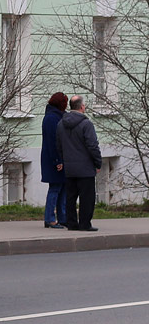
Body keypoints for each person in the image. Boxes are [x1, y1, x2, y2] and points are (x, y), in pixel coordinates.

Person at [55, 94, 103, 232]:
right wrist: (97, 162)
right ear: (82, 107)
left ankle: (72, 223)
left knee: (70, 197)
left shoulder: (61, 124)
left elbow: (58, 146)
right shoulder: (86, 124)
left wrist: (65, 160)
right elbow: (92, 146)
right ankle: (84, 224)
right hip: (85, 167)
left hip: (70, 167)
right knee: (87, 198)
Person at [40, 92, 69, 228]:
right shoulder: (52, 118)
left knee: (62, 187)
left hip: (58, 158)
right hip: (54, 159)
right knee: (55, 188)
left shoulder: (55, 116)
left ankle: (62, 217)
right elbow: (53, 142)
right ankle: (50, 218)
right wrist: (57, 161)